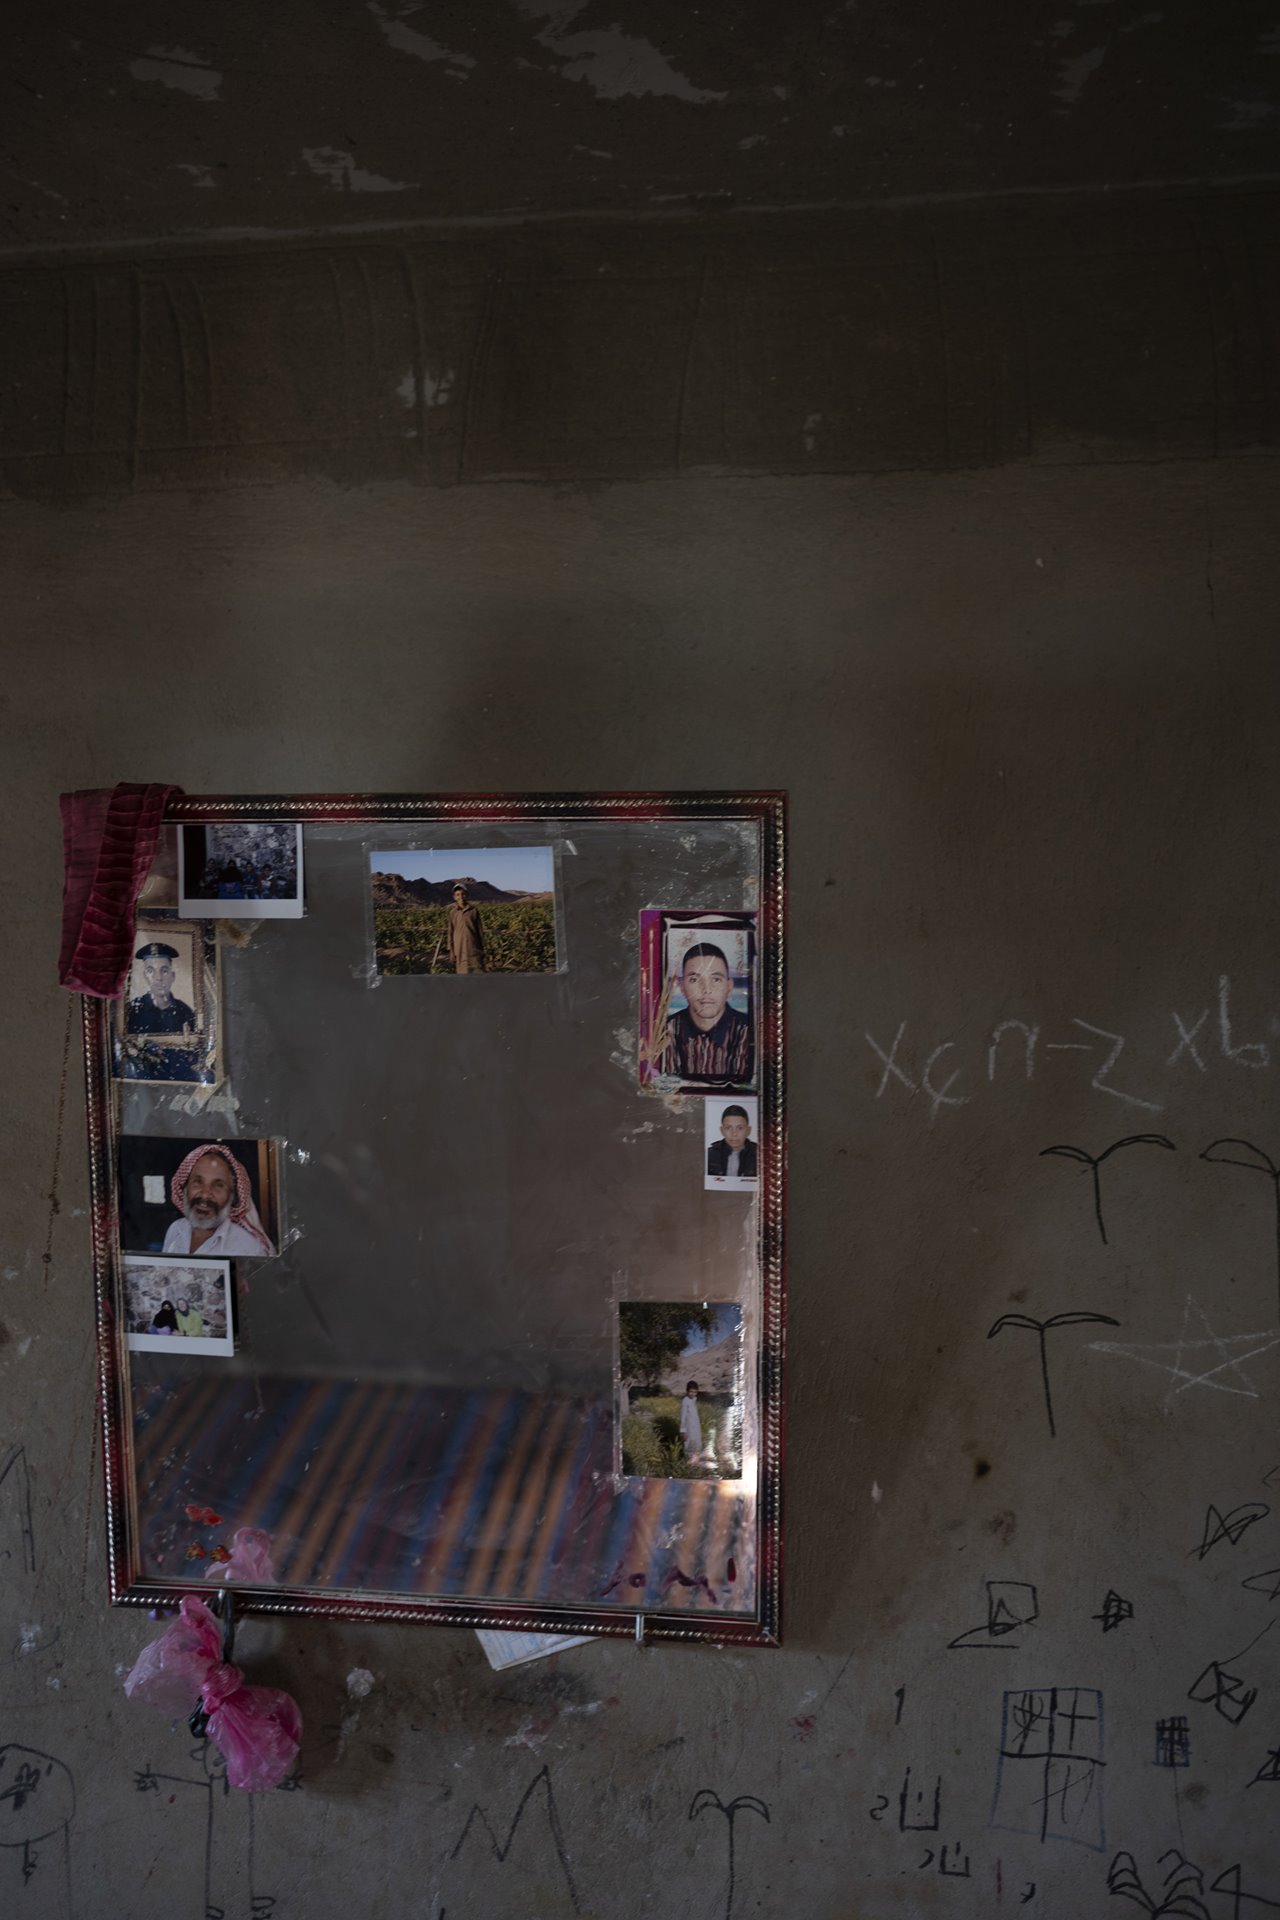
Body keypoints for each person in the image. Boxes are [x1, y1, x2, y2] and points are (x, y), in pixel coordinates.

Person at [658, 943, 752, 1083]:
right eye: (694, 980)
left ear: (729, 986)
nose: (706, 989)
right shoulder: (664, 1031)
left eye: (716, 979)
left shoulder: (751, 1031)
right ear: (682, 986)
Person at [161, 1142, 276, 1257]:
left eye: (218, 1186)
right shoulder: (175, 1229)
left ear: (231, 1196)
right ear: (185, 1188)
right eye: (198, 1182)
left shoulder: (249, 1249)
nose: (205, 1195)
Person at [126, 941, 197, 1037]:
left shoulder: (186, 1013)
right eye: (150, 971)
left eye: (164, 970)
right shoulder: (132, 1012)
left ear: (173, 976)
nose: (158, 978)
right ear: (145, 976)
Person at [707, 1104, 758, 1179]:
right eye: (728, 1128)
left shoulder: (759, 1155)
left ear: (748, 1130)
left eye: (740, 1128)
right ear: (722, 1130)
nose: (734, 1134)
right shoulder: (709, 1155)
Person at [444, 883, 485, 973]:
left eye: (463, 894)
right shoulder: (453, 913)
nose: (461, 897)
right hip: (459, 949)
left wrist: (482, 948)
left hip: (473, 947)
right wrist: (451, 951)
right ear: (454, 897)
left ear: (467, 895)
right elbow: (450, 932)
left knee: (477, 970)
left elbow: (480, 931)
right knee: (463, 972)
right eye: (458, 895)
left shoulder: (474, 911)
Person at [679, 1380, 703, 1459]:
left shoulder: (693, 1400)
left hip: (695, 1428)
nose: (693, 1394)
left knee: (696, 1447)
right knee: (689, 1447)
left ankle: (695, 1464)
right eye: (691, 1392)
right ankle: (689, 1465)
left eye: (695, 1392)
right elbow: (683, 1417)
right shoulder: (685, 1401)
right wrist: (683, 1431)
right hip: (688, 1429)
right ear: (687, 1391)